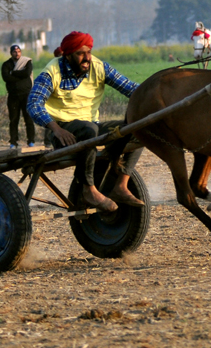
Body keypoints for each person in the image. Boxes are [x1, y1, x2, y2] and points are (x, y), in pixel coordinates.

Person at [27, 31, 145, 212]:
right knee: (89, 130)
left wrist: (157, 94)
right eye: (80, 53)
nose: (87, 58)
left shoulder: (99, 67)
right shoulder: (52, 72)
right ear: (67, 55)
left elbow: (132, 89)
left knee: (138, 129)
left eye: (88, 52)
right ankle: (88, 190)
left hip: (92, 128)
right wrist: (56, 129)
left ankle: (121, 185)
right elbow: (33, 104)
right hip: (63, 132)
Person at [2, 44, 36, 149]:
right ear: (11, 53)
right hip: (13, 96)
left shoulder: (27, 62)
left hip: (26, 95)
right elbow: (6, 77)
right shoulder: (6, 64)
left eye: (19, 52)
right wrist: (19, 77)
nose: (17, 54)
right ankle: (13, 142)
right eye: (14, 52)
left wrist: (14, 73)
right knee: (13, 120)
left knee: (28, 119)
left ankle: (31, 141)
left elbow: (27, 73)